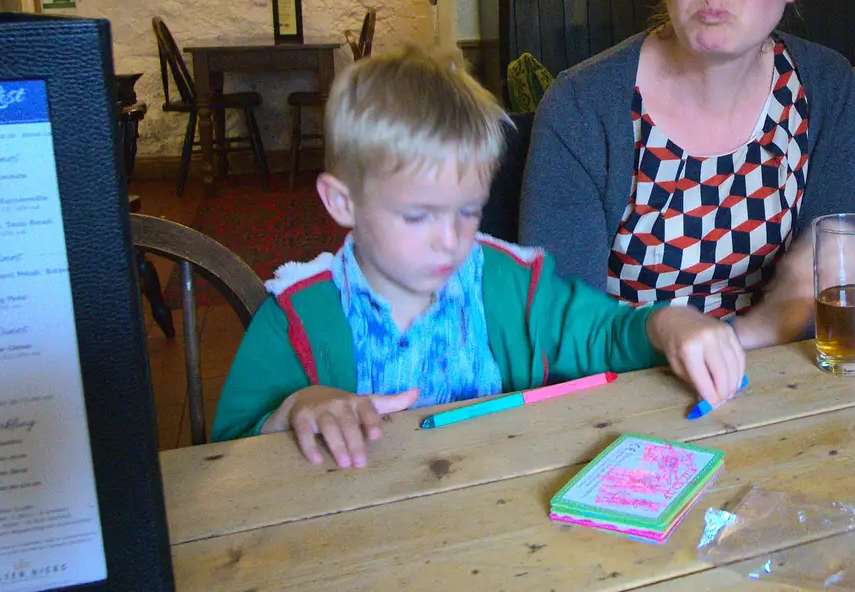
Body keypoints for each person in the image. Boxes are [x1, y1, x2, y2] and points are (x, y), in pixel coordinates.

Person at [212, 45, 744, 466]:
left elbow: (603, 335)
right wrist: (297, 409)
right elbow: (223, 457)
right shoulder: (296, 319)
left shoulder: (510, 283)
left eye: (467, 211)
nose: (450, 239)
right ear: (342, 201)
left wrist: (667, 324)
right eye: (418, 215)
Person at [519, 0, 855, 350]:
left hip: (782, 390)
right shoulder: (583, 107)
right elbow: (558, 330)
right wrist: (753, 327)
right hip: (623, 397)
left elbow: (826, 295)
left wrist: (756, 331)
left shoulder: (827, 87)